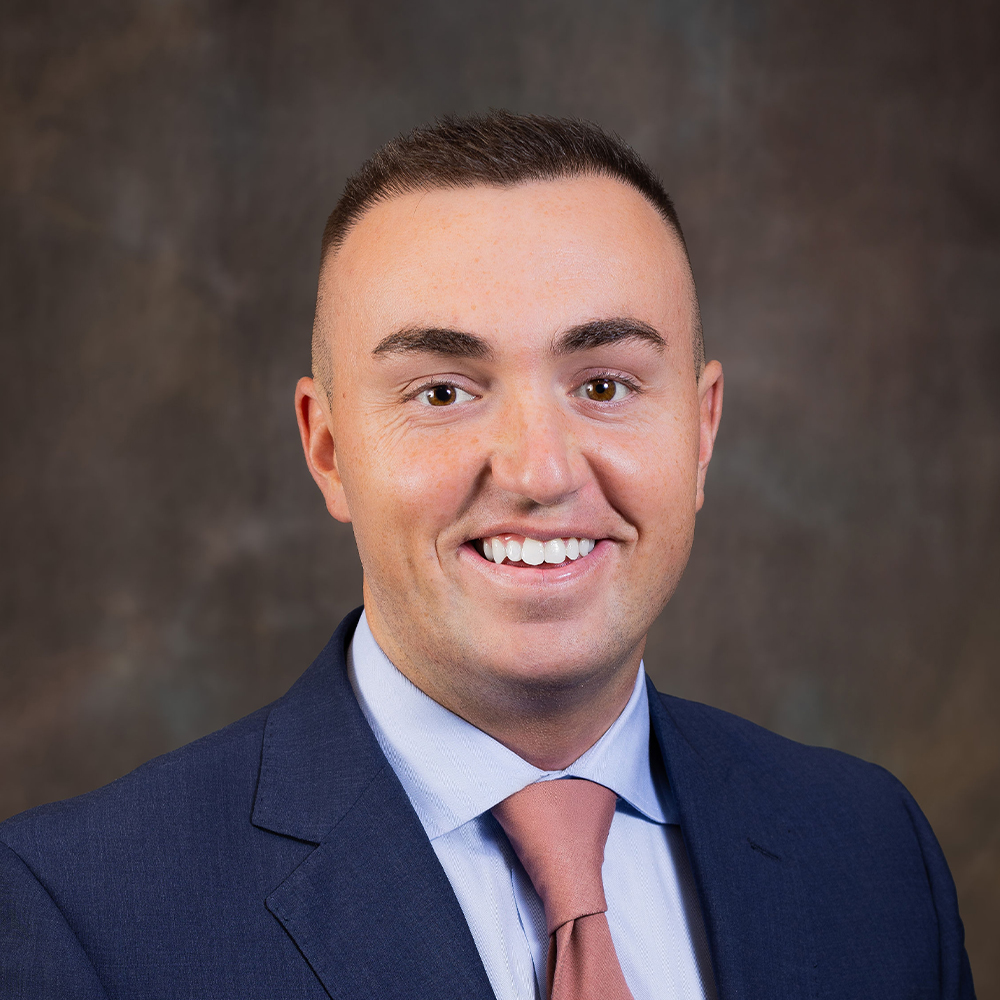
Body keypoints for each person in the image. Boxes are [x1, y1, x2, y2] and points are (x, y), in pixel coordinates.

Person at [0, 112, 974, 999]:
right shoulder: (76, 911)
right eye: (442, 393)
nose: (538, 472)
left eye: (603, 385)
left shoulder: (872, 852)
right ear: (328, 450)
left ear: (702, 429)